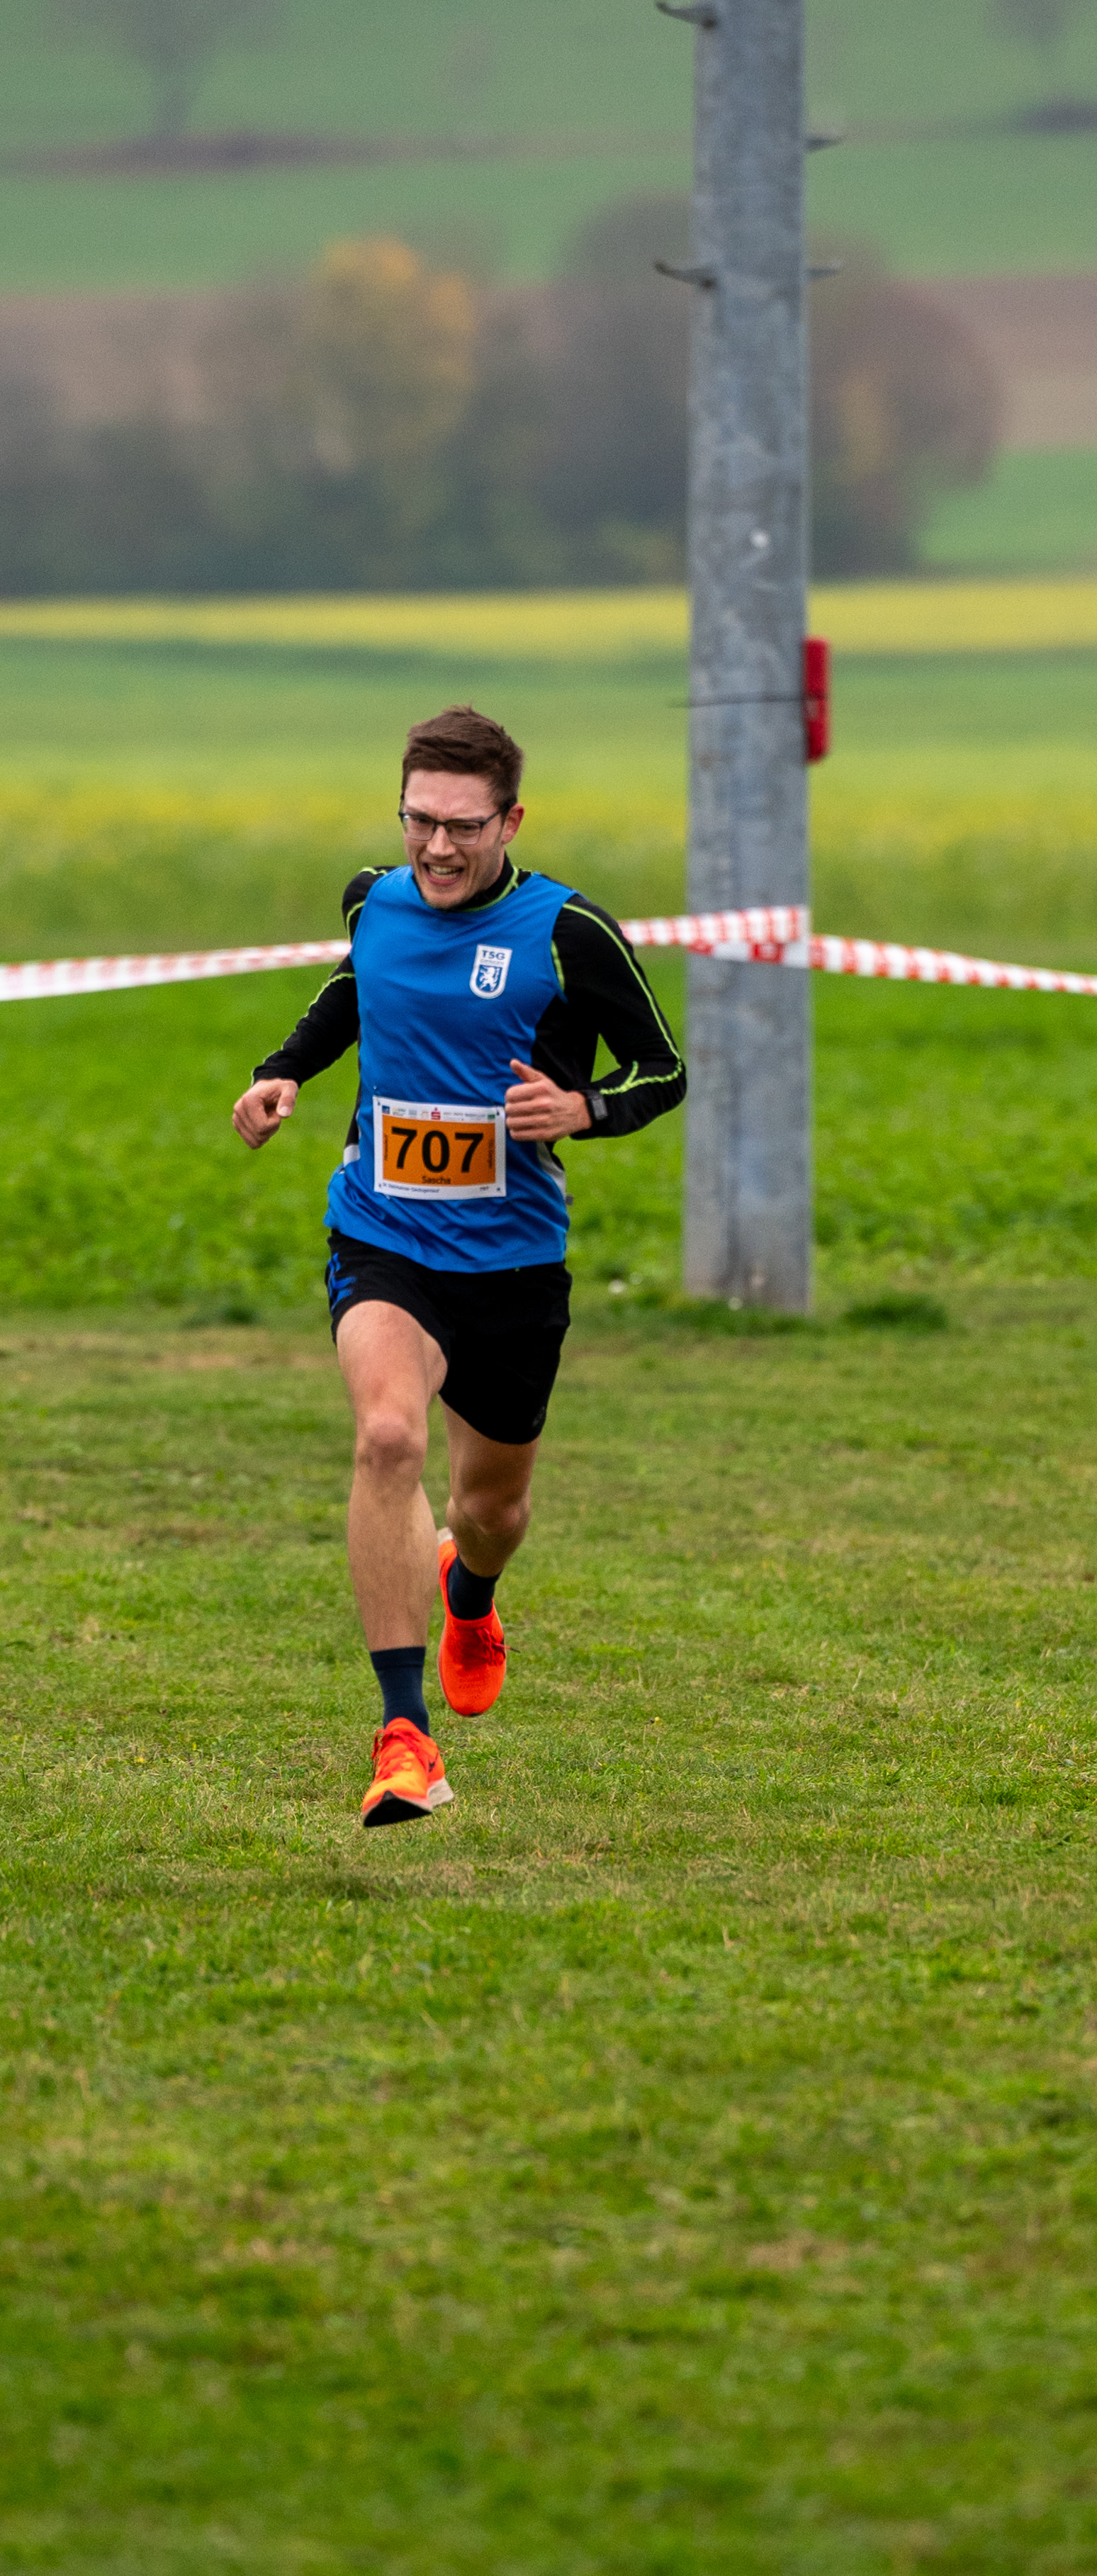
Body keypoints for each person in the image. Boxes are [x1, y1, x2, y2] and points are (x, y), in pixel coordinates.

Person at [232, 704, 685, 1829]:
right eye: (419, 820)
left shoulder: (569, 931)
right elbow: (358, 988)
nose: (436, 847)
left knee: (492, 1508)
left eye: (463, 827)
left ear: (510, 821)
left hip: (513, 1263)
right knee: (388, 1436)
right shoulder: (373, 898)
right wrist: (283, 1070)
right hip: (383, 1232)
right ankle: (404, 1737)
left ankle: (469, 1595)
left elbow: (662, 1068)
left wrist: (584, 1109)